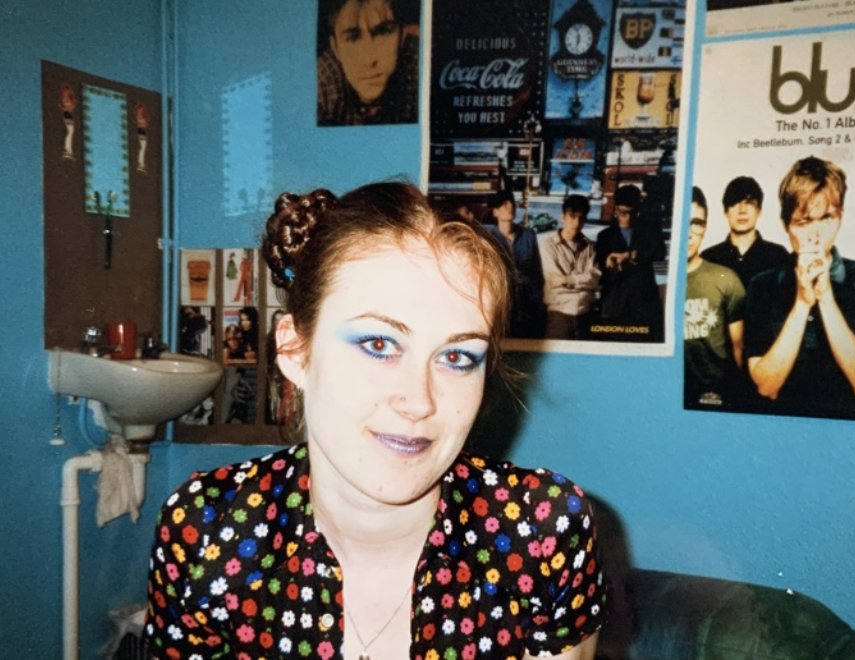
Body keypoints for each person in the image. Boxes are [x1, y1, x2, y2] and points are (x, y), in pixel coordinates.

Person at [143, 182, 605, 658]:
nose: (419, 402)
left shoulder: (544, 534)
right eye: (379, 344)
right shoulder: (208, 532)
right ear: (294, 351)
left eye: (458, 356)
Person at [743, 156, 855, 420]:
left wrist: (826, 297)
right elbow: (766, 386)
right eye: (804, 222)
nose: (816, 234)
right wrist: (802, 303)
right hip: (781, 424)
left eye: (827, 218)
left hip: (847, 427)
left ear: (840, 217)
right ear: (786, 225)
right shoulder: (762, 285)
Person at [684, 186, 746, 409]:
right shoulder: (653, 279)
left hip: (714, 393)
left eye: (696, 223)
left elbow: (739, 348)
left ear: (705, 227)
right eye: (682, 221)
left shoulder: (726, 279)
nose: (688, 232)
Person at [317, 0, 419, 125]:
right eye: (352, 38)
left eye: (383, 32)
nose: (369, 59)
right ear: (335, 48)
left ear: (402, 36)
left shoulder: (420, 65)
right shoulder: (321, 81)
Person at [595, 184, 666, 342]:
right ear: (616, 210)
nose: (626, 217)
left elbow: (660, 252)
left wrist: (631, 255)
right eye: (622, 212)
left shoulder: (650, 230)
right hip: (614, 305)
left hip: (644, 303)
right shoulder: (604, 236)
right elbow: (599, 267)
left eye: (630, 213)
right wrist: (608, 264)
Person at [700, 175, 790, 289]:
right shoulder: (709, 258)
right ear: (726, 212)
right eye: (735, 203)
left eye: (749, 203)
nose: (742, 210)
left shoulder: (778, 255)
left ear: (759, 211)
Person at [486, 189, 546, 338]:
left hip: (527, 306)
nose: (510, 207)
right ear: (495, 212)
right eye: (504, 204)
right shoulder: (488, 238)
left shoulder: (528, 235)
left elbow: (536, 272)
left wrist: (537, 301)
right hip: (500, 306)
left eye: (511, 203)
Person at [541, 194, 601, 339]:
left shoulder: (590, 247)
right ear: (563, 216)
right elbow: (554, 281)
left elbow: (595, 278)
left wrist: (567, 280)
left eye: (581, 218)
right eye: (572, 216)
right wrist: (583, 282)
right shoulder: (549, 246)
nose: (576, 222)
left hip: (585, 312)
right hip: (559, 313)